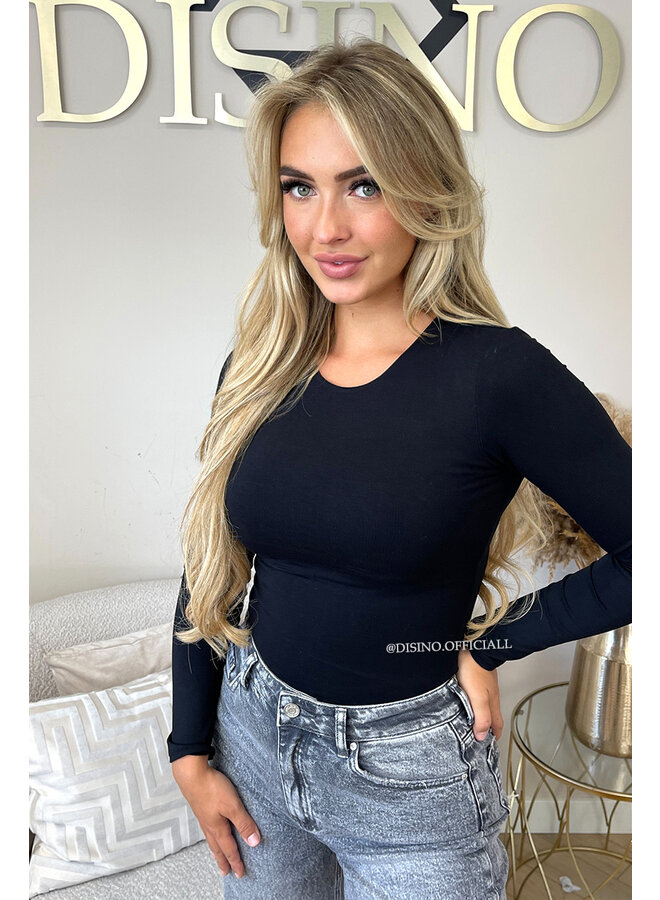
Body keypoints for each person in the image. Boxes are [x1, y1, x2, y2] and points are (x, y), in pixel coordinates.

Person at [166, 38, 632, 900]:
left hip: (411, 781)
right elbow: (210, 562)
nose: (325, 229)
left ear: (427, 188)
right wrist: (188, 749)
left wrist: (495, 644)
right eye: (299, 186)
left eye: (364, 185)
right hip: (254, 731)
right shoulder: (261, 362)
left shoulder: (501, 375)